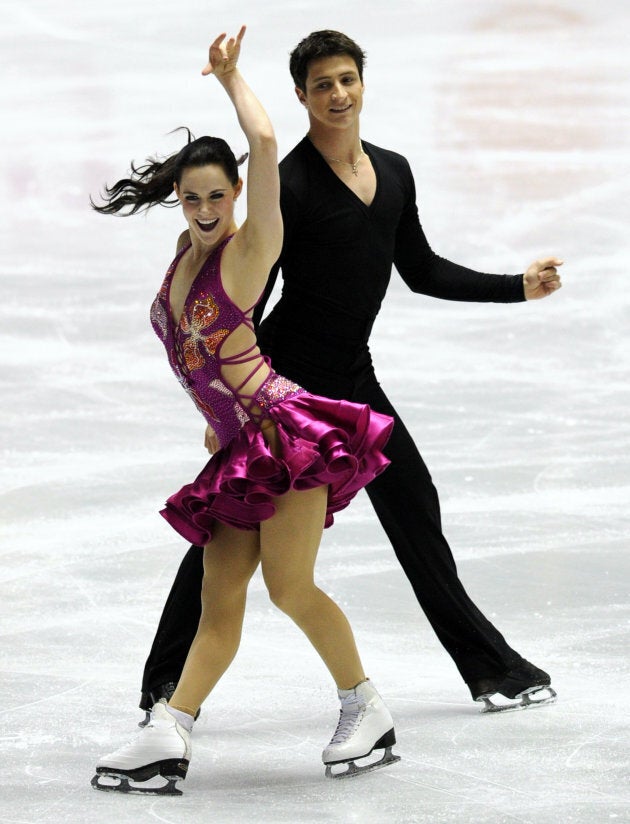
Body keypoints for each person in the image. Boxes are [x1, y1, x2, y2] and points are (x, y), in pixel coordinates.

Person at [138, 28, 562, 724]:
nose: (338, 95)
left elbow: (421, 271)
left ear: (362, 84)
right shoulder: (296, 187)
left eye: (347, 80)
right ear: (301, 95)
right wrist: (230, 413)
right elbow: (246, 301)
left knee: (415, 511)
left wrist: (517, 286)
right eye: (322, 85)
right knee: (226, 531)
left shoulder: (393, 172)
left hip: (352, 380)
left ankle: (493, 669)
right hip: (287, 386)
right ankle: (162, 686)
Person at [90, 27, 402, 795]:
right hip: (238, 444)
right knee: (217, 596)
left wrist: (231, 79)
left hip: (284, 437)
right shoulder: (184, 250)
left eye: (216, 195)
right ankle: (172, 731)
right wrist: (217, 415)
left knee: (290, 587)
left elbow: (264, 143)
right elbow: (201, 355)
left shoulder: (249, 247)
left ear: (237, 194)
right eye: (191, 196)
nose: (203, 208)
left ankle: (367, 707)